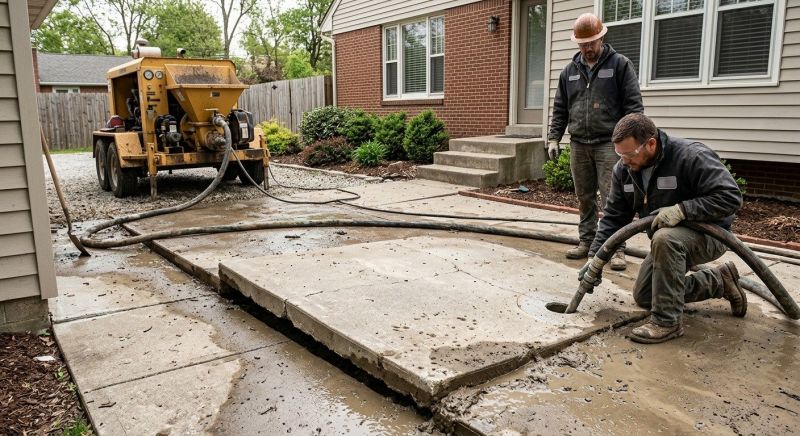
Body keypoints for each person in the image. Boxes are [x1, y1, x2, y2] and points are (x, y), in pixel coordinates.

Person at [579, 113, 746, 344]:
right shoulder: (624, 170)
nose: (624, 161)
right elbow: (614, 218)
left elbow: (730, 197)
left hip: (711, 235)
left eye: (629, 154)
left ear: (651, 143)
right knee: (645, 295)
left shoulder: (690, 156)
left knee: (666, 238)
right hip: (668, 240)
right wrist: (594, 259)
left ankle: (667, 322)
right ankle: (719, 281)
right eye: (620, 154)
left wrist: (683, 210)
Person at [548, 13, 643, 271]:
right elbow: (560, 109)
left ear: (602, 37)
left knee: (613, 198)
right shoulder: (569, 71)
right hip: (579, 143)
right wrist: (554, 137)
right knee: (584, 197)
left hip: (608, 145)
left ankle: (617, 248)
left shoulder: (620, 65)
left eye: (592, 43)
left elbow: (634, 108)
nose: (588, 48)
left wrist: (631, 144)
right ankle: (587, 242)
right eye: (582, 44)